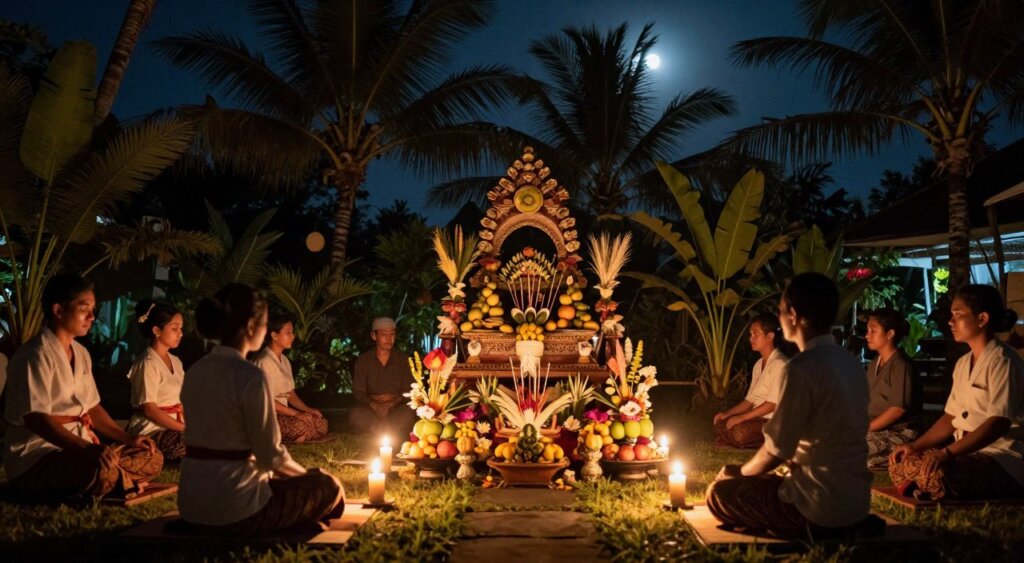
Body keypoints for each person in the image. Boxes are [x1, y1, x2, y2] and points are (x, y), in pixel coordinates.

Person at [706, 273, 874, 539]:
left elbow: (777, 449)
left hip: (817, 507)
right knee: (763, 483)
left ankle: (804, 526)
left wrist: (738, 472)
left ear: (792, 315)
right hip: (857, 503)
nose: (781, 316)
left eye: (781, 310)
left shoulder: (800, 368)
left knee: (718, 493)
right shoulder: (851, 363)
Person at [178, 283, 344, 535]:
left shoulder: (195, 372)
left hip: (191, 505)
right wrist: (308, 477)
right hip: (237, 508)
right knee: (328, 485)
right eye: (265, 323)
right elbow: (271, 457)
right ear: (251, 326)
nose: (266, 330)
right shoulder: (250, 376)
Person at [3, 274, 163, 499]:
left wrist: (128, 439)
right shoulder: (35, 355)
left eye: (93, 309)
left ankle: (118, 478)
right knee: (98, 469)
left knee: (151, 456)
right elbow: (36, 419)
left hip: (80, 449)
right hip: (38, 456)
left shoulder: (81, 353)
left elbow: (92, 408)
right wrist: (86, 449)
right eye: (84, 308)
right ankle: (117, 478)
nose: (92, 316)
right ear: (58, 310)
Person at [889, 284, 1024, 501]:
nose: (950, 322)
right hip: (963, 451)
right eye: (951, 315)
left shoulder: (1003, 362)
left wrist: (947, 453)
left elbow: (999, 422)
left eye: (958, 315)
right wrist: (915, 445)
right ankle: (925, 486)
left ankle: (927, 486)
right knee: (902, 462)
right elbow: (952, 416)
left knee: (939, 473)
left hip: (999, 456)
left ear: (982, 319)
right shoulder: (963, 363)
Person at [713, 313, 788, 448]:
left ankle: (771, 441)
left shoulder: (780, 364)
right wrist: (728, 414)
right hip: (757, 419)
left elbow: (772, 404)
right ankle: (738, 439)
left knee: (738, 433)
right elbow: (750, 399)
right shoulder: (759, 364)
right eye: (750, 334)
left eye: (756, 334)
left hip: (774, 422)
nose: (751, 338)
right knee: (720, 425)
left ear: (770, 336)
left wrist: (741, 418)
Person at [125, 300, 187, 462]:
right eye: (174, 329)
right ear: (156, 330)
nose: (180, 333)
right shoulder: (147, 363)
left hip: (176, 426)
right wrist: (185, 428)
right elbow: (149, 409)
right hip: (152, 429)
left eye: (181, 328)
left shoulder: (176, 361)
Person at [252, 314, 328, 443]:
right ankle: (298, 436)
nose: (293, 337)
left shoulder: (285, 361)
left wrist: (308, 410)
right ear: (274, 335)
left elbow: (290, 395)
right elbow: (264, 399)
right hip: (267, 417)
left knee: (321, 423)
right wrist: (296, 414)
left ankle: (299, 436)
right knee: (301, 425)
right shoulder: (263, 361)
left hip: (285, 415)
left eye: (292, 332)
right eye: (288, 332)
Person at [863, 308, 918, 469]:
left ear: (890, 334)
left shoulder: (901, 365)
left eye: (873, 331)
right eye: (867, 331)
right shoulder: (874, 364)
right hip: (874, 430)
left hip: (899, 433)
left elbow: (897, 409)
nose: (867, 335)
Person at [349, 317, 416, 435]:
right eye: (384, 334)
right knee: (356, 415)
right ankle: (383, 429)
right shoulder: (363, 360)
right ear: (374, 336)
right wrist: (374, 405)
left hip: (395, 407)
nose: (389, 339)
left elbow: (409, 391)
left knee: (407, 414)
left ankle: (383, 429)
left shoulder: (403, 359)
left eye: (392, 334)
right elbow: (358, 391)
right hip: (371, 408)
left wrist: (390, 404)